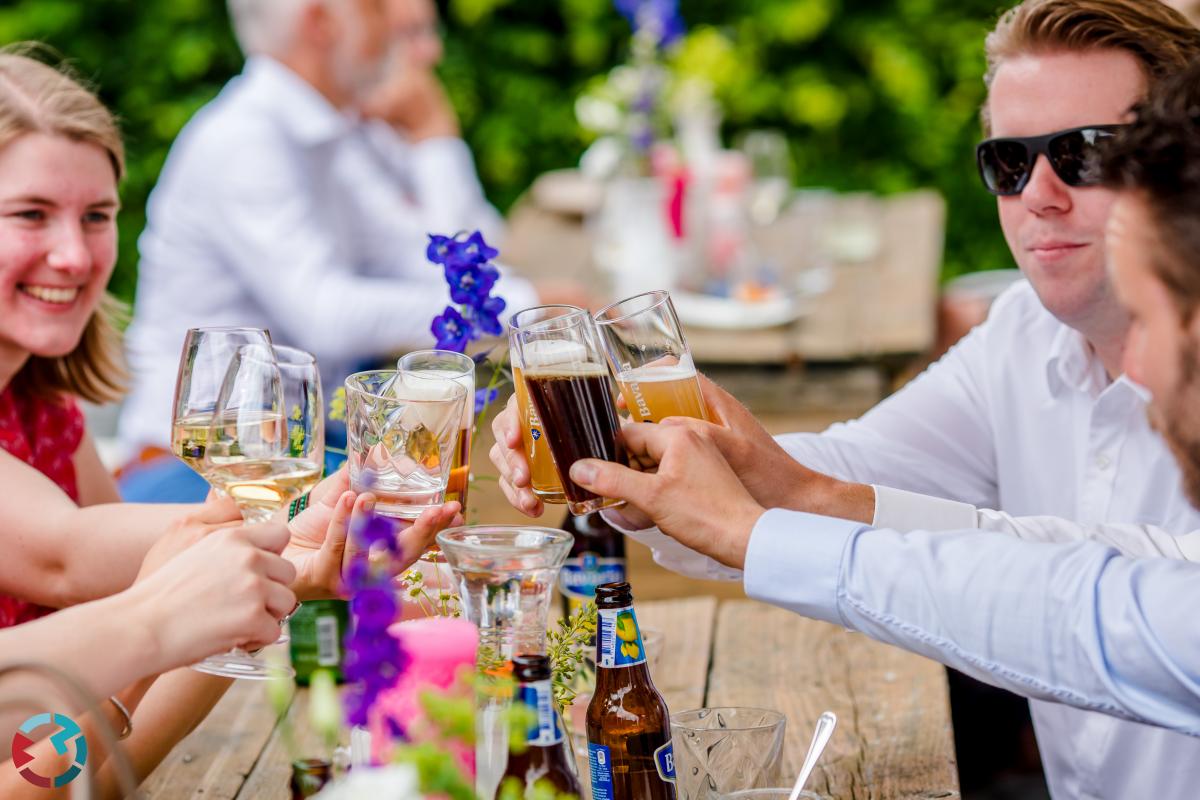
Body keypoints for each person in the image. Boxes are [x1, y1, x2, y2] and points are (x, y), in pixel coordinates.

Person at [490, 2, 1200, 797]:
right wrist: (629, 453)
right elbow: (864, 472)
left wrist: (758, 528)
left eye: (1087, 155)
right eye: (1009, 161)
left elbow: (1089, 609)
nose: (1038, 193)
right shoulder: (1026, 333)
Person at [0, 48, 457, 792]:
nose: (74, 254)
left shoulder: (44, 405)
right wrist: (279, 521)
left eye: (97, 216)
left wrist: (275, 580)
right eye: (29, 214)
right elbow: (68, 558)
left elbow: (83, 766)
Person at [116, 0, 584, 499]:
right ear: (321, 22)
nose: (394, 30)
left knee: (469, 488)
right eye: (377, 9)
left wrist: (434, 139)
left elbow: (441, 260)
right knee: (477, 493)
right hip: (197, 467)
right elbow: (327, 314)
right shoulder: (243, 138)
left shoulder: (335, 134)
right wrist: (522, 309)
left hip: (301, 449)